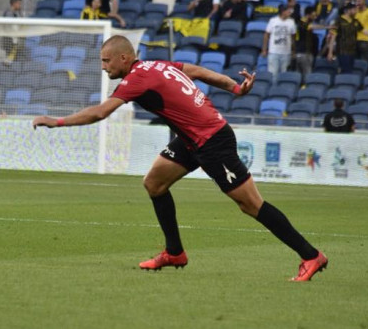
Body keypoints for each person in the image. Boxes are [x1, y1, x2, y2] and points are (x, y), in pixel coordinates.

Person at [32, 35, 328, 282]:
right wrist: (234, 87)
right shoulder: (157, 65)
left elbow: (100, 112)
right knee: (154, 184)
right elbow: (197, 71)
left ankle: (311, 255)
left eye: (106, 61)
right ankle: (174, 252)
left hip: (212, 140)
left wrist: (57, 122)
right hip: (192, 139)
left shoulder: (136, 79)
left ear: (124, 58)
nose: (103, 67)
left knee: (251, 205)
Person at [262, 4, 297, 83]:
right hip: (273, 51)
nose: (290, 12)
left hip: (286, 53)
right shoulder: (273, 20)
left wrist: (293, 50)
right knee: (273, 74)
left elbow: (293, 38)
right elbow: (266, 35)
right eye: (288, 10)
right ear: (283, 11)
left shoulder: (291, 22)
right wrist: (264, 50)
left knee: (284, 74)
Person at [327, 2, 361, 73]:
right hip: (342, 51)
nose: (356, 11)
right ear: (349, 10)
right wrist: (330, 52)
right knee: (346, 71)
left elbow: (364, 31)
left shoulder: (355, 21)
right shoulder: (338, 21)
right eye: (354, 9)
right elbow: (333, 37)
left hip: (352, 51)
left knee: (350, 70)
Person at [294, 6, 318, 77]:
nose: (315, 18)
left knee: (298, 76)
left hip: (299, 53)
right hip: (304, 53)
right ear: (308, 15)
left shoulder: (300, 23)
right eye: (313, 16)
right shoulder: (303, 24)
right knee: (307, 76)